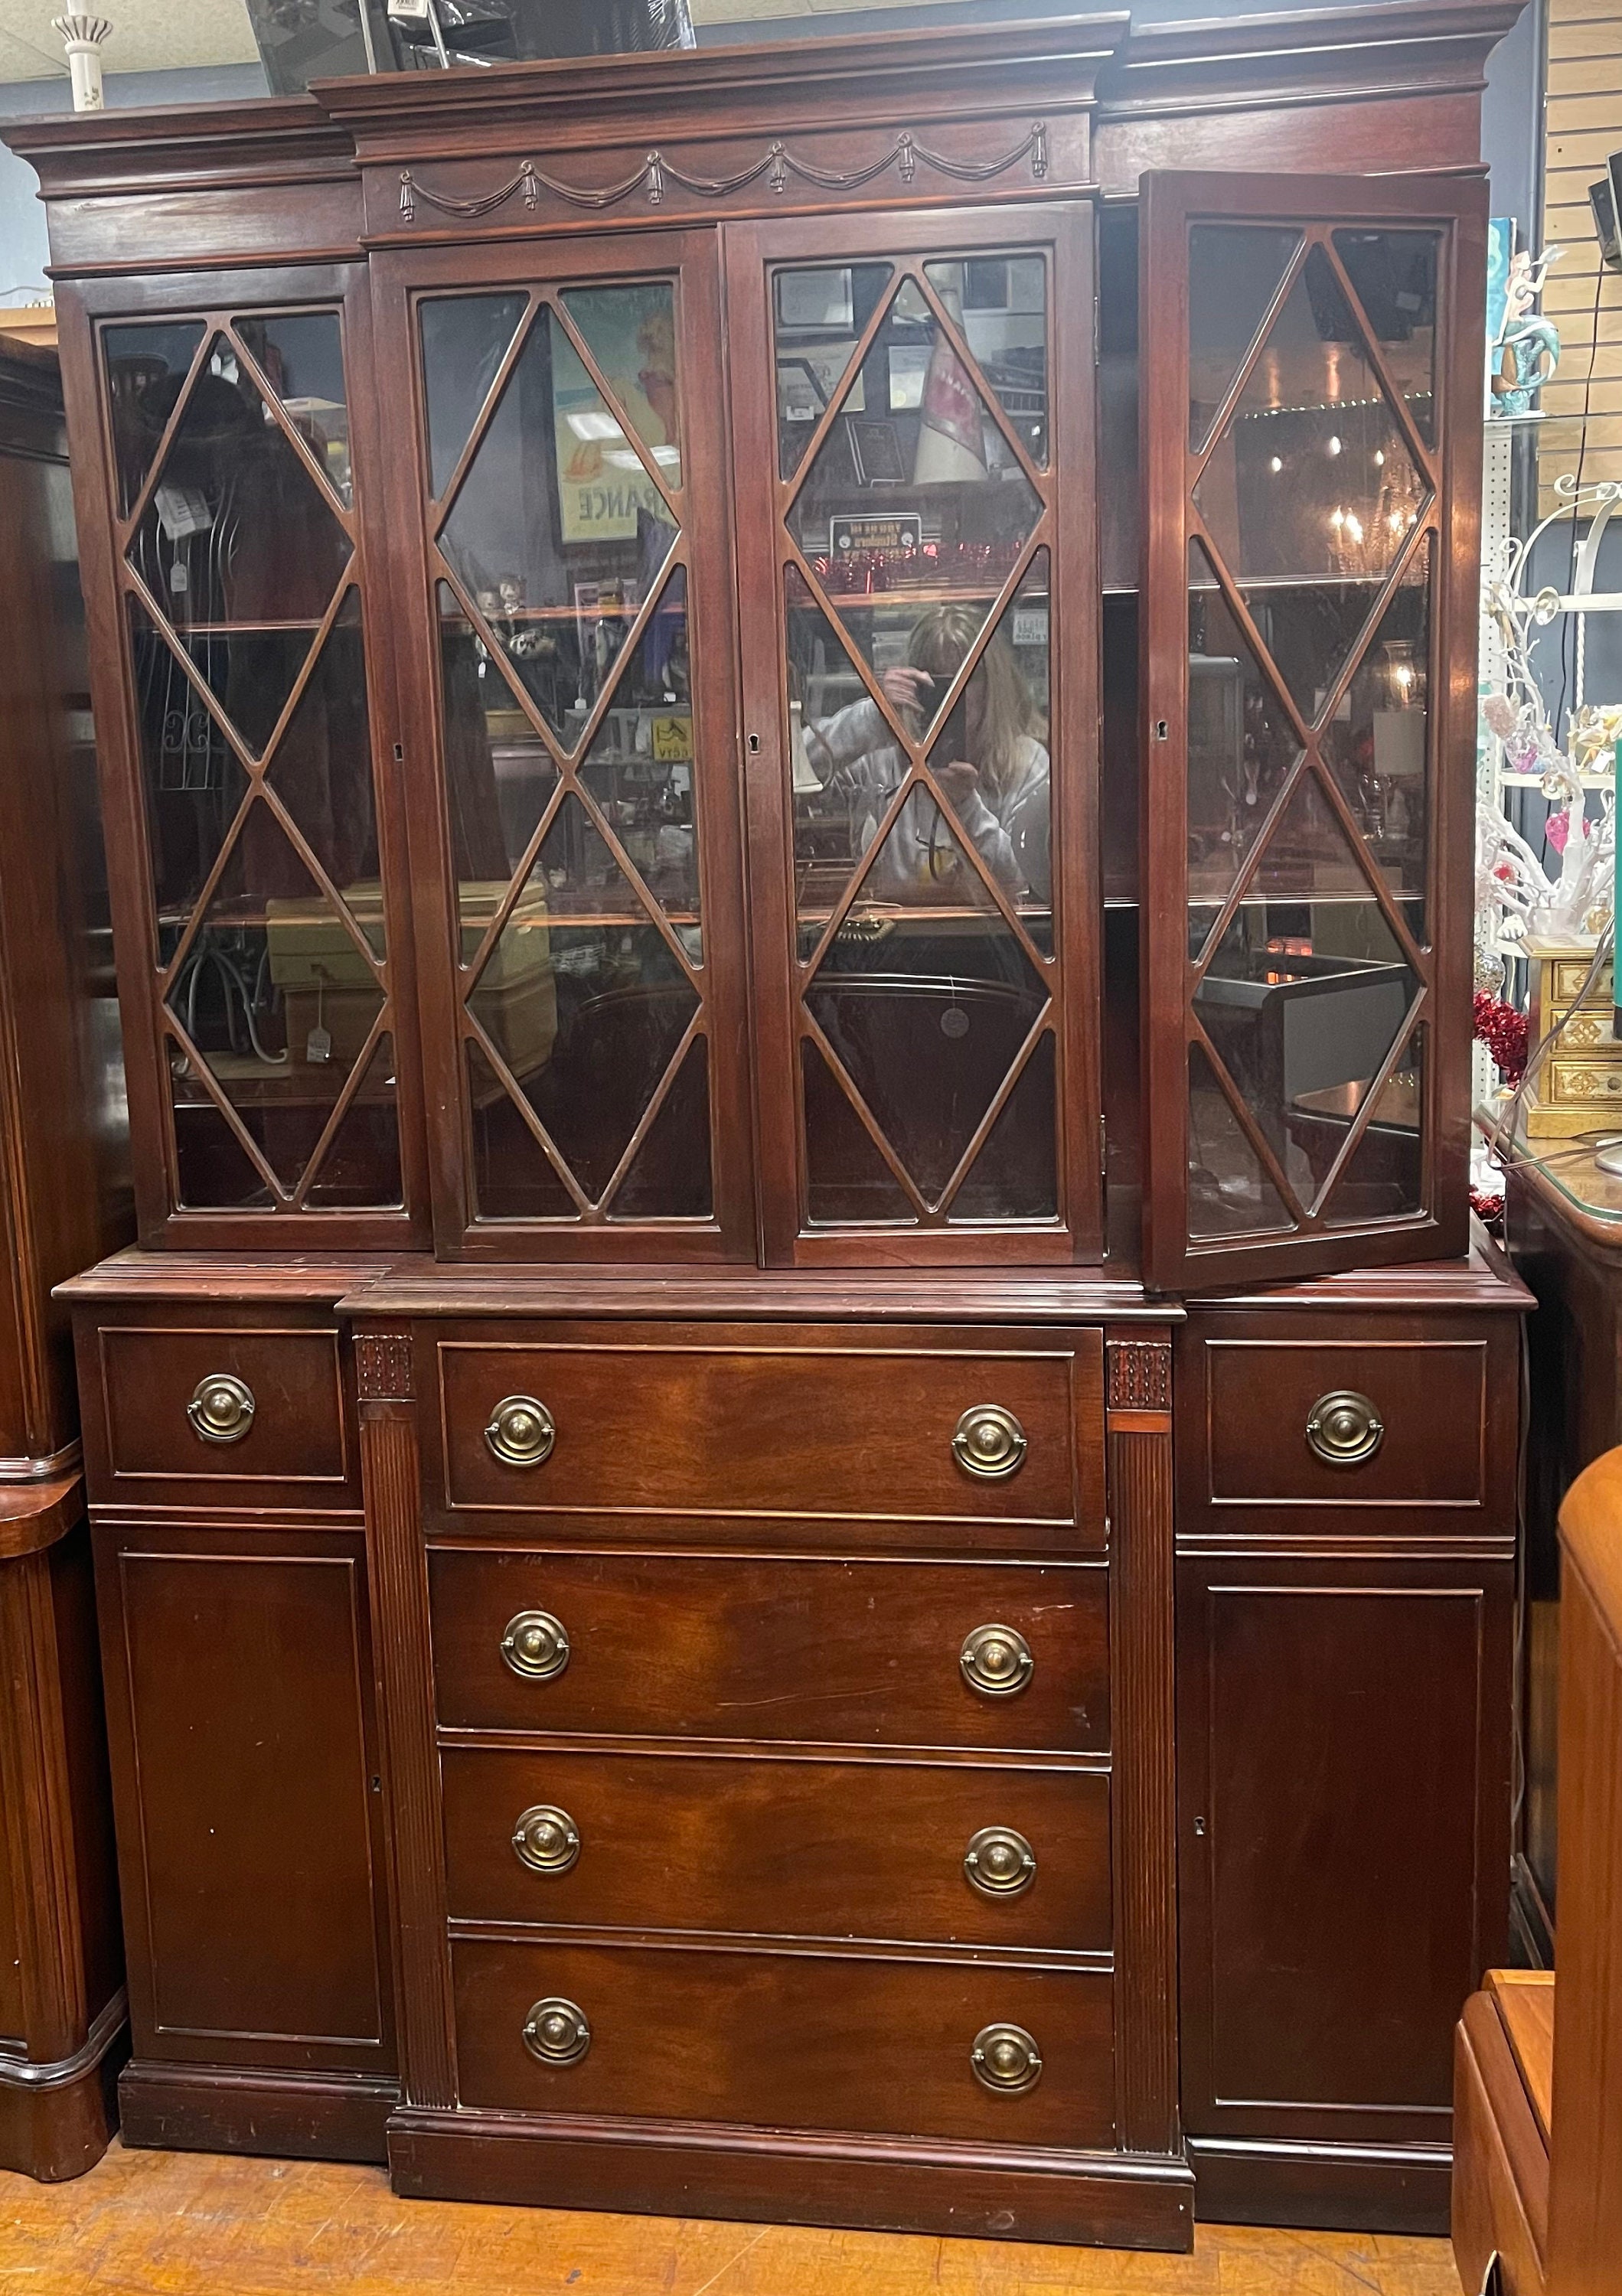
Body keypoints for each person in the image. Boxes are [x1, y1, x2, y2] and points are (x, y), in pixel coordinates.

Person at [799, 601, 1051, 903]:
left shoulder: (1026, 761)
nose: (950, 698)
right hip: (894, 928)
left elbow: (1023, 877)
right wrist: (874, 716)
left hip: (994, 933)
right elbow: (790, 770)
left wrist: (966, 806)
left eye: (965, 679)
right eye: (938, 684)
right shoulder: (883, 754)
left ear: (991, 686)